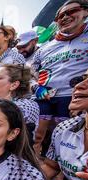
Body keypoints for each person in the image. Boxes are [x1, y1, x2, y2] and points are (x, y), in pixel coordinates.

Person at [31, 0, 88, 155]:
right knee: (35, 137)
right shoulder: (45, 47)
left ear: (85, 12)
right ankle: (31, 169)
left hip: (73, 98)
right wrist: (36, 86)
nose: (65, 17)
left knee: (67, 141)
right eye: (60, 15)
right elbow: (29, 72)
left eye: (72, 11)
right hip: (44, 97)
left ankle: (59, 177)